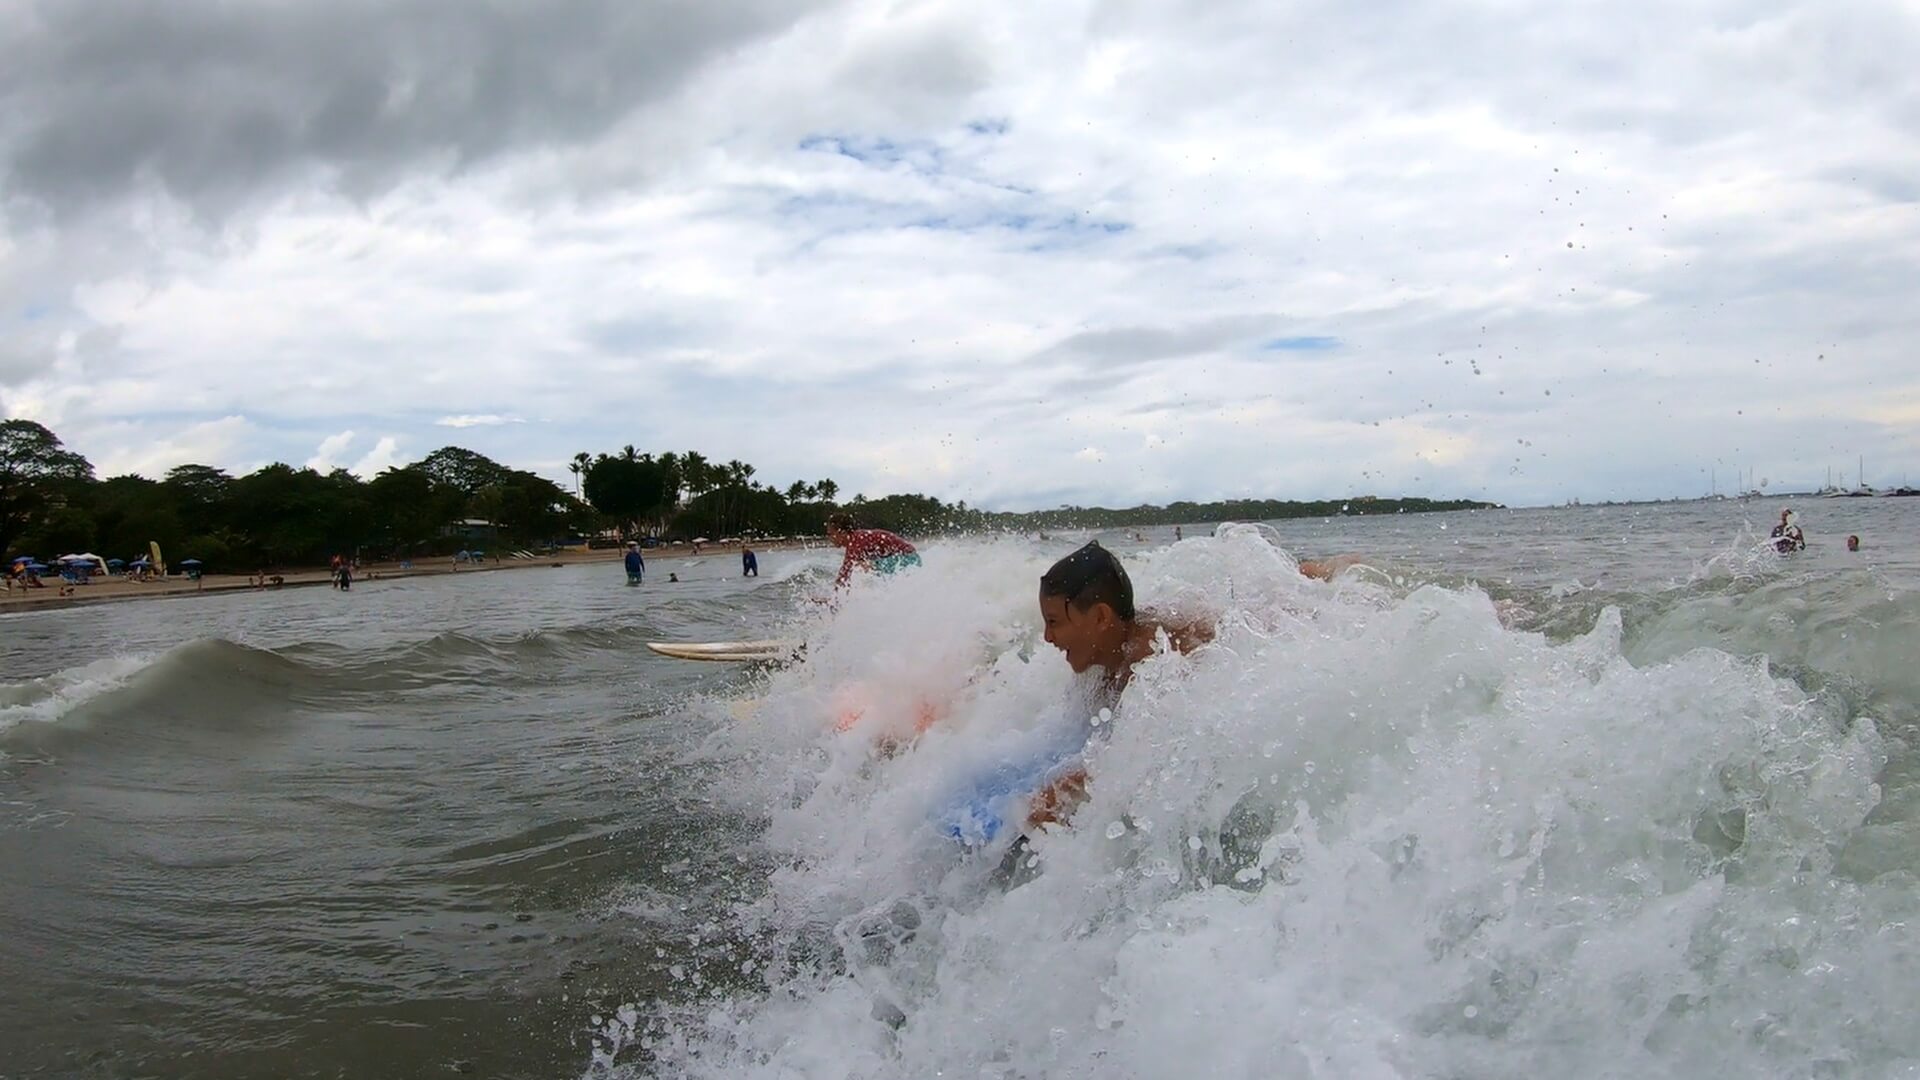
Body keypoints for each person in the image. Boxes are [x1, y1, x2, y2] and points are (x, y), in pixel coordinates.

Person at [1024, 541, 1357, 833]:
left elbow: (1152, 752)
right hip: (1212, 617)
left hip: (1262, 631)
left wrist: (1070, 789)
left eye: (1054, 622)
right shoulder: (1098, 661)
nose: (1048, 637)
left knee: (1290, 603)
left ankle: (1327, 571)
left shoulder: (1155, 660)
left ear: (1100, 617)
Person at [827, 513, 920, 587]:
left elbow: (845, 575)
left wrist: (835, 600)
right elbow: (844, 574)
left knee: (861, 566)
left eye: (830, 534)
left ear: (843, 533)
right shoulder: (855, 540)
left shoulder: (857, 543)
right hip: (904, 559)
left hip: (908, 559)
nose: (829, 537)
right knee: (861, 568)